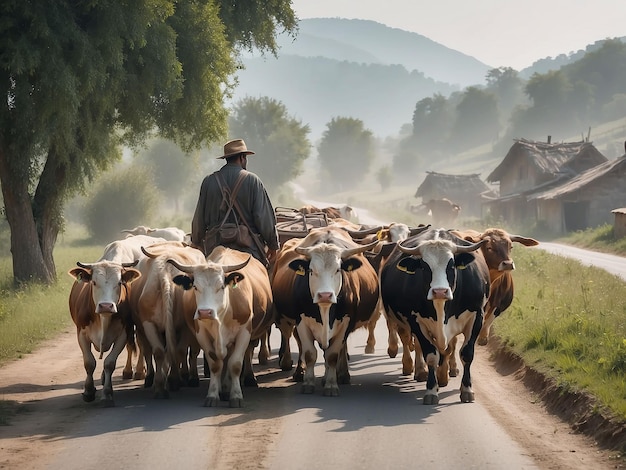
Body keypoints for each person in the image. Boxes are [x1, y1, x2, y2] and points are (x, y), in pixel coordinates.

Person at [191, 139, 279, 266]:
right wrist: (272, 245)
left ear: (226, 158)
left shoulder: (208, 181)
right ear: (242, 157)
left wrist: (196, 241)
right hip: (249, 250)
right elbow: (263, 218)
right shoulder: (253, 181)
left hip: (214, 250)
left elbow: (199, 218)